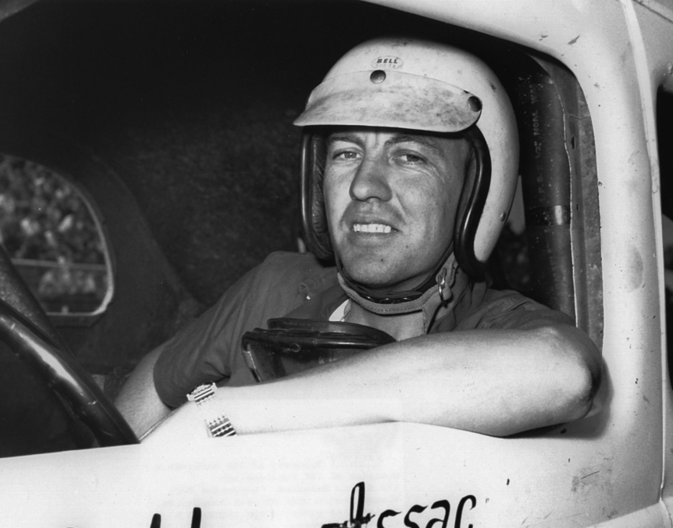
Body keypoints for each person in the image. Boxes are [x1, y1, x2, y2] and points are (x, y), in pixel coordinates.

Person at [115, 37, 602, 441]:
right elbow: (158, 382)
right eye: (347, 153)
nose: (364, 185)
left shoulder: (495, 324)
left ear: (475, 195)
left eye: (409, 157)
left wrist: (229, 415)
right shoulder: (276, 285)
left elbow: (566, 375)